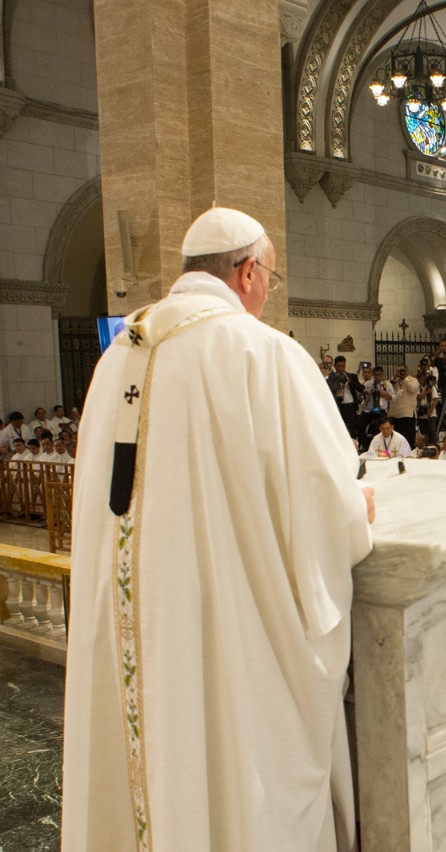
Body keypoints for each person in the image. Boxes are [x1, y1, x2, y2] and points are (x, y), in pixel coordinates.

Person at [62, 208, 375, 852]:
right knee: (229, 764)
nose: (268, 289)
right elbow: (324, 502)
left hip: (137, 618)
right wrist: (356, 508)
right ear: (248, 270)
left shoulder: (118, 358)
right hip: (219, 623)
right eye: (270, 274)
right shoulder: (264, 353)